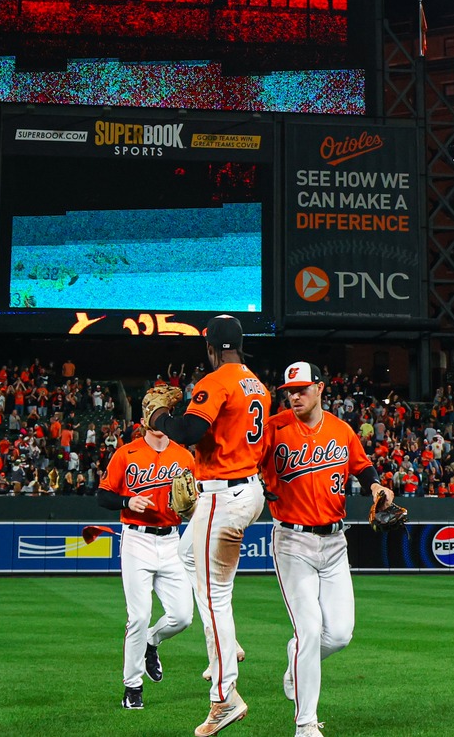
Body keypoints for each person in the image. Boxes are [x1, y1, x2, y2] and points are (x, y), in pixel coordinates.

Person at [148, 314, 272, 737]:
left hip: (223, 494)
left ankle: (225, 697)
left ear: (211, 347)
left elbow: (188, 430)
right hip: (248, 490)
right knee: (187, 556)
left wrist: (159, 417)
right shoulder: (256, 383)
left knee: (215, 597)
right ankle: (229, 643)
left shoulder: (215, 381)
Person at [259, 361, 393, 737]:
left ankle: (296, 661)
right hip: (292, 540)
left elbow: (362, 466)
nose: (295, 395)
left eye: (302, 388)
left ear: (320, 388)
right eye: (290, 390)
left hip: (335, 542)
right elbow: (248, 463)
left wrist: (376, 486)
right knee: (309, 630)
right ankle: (305, 725)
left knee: (339, 635)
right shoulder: (274, 428)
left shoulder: (341, 429)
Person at [97, 405, 199, 711]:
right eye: (153, 413)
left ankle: (152, 643)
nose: (158, 420)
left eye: (163, 413)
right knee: (138, 616)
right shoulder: (126, 454)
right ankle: (133, 687)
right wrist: (127, 500)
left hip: (171, 541)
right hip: (136, 539)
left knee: (182, 616)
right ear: (143, 420)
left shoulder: (185, 457)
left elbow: (194, 503)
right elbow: (103, 495)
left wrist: (193, 508)